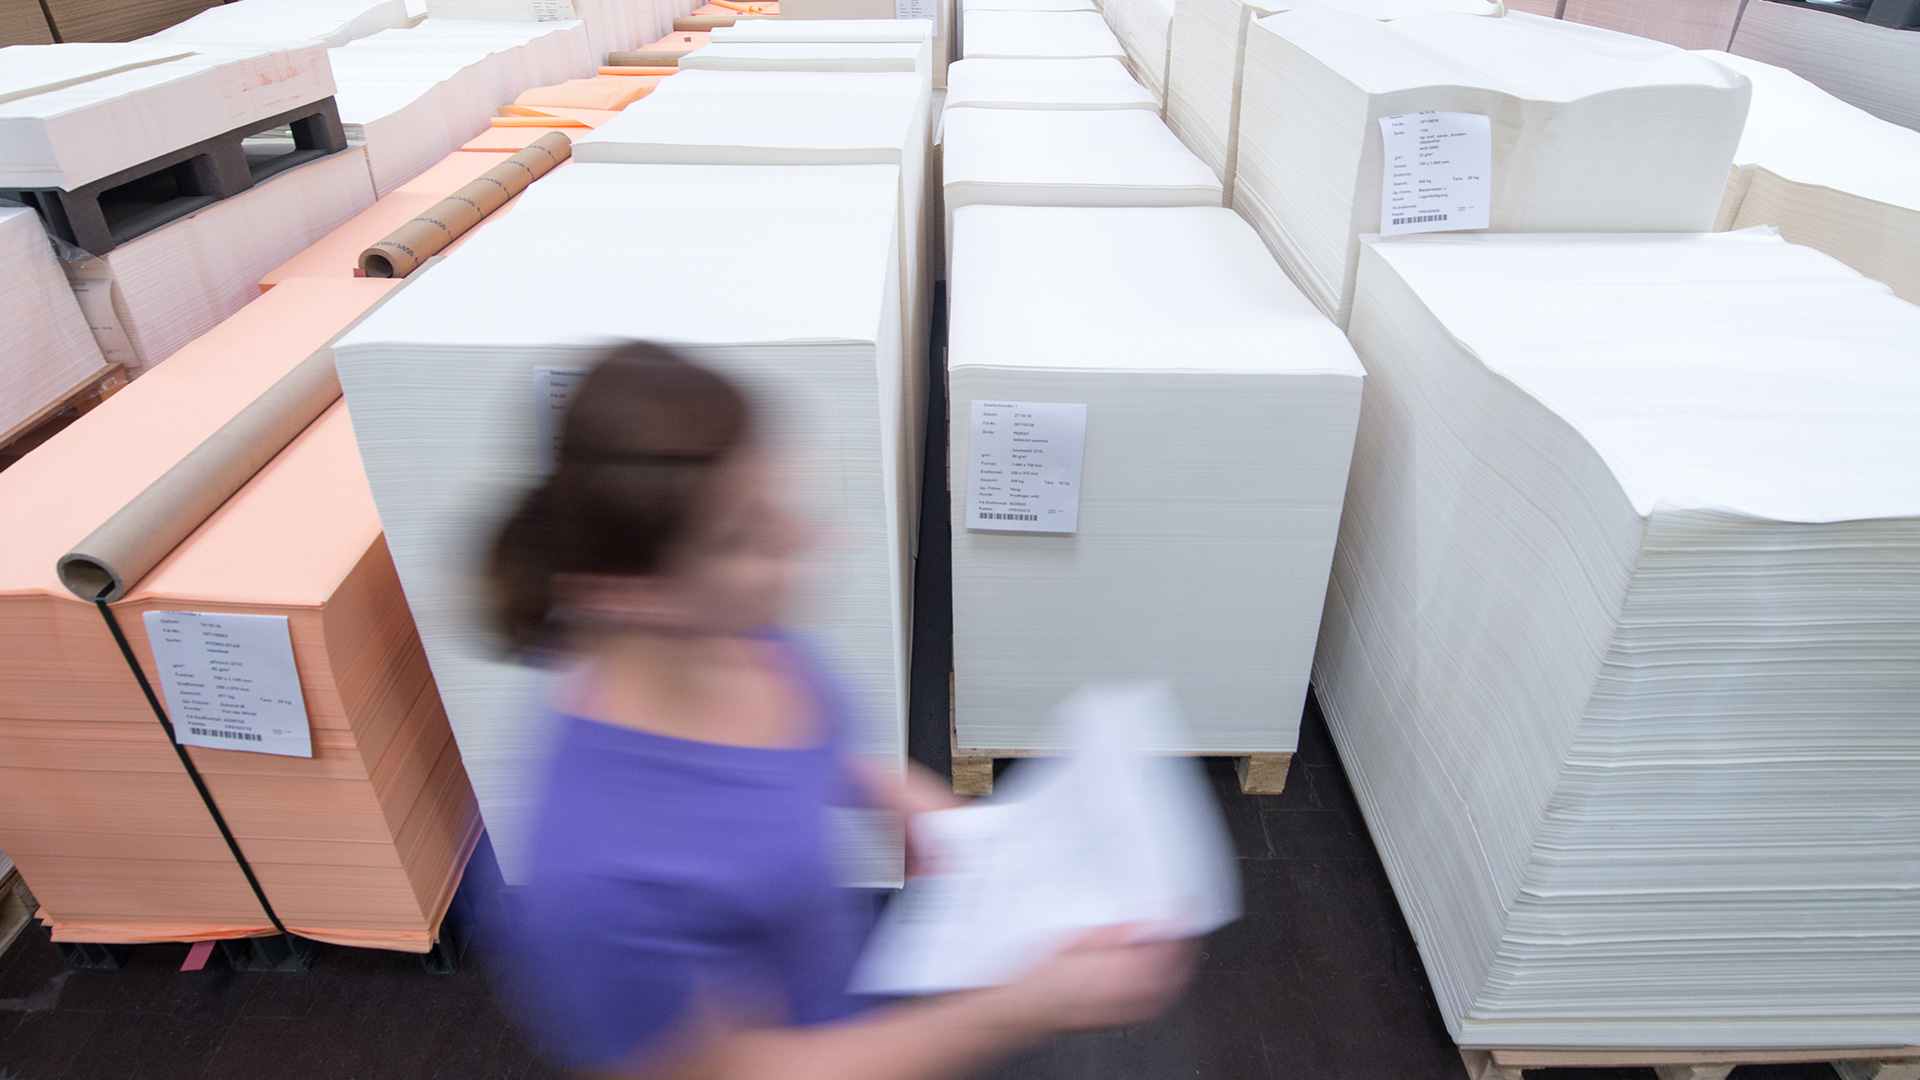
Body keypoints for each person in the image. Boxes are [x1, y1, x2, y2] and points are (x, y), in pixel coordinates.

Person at [488, 342, 1196, 1080]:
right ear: (633, 594)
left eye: (776, 502)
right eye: (746, 536)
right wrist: (1015, 1009)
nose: (806, 538)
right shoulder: (594, 874)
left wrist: (897, 797)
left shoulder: (732, 632)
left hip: (840, 998)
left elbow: (786, 754)